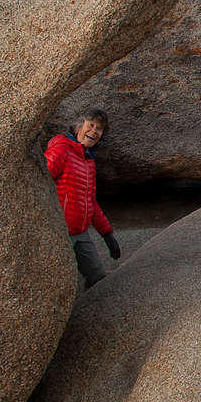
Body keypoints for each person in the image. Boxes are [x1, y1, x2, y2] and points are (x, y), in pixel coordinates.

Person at [45, 108, 120, 289]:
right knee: (59, 284)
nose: (94, 131)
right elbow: (41, 180)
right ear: (79, 126)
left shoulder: (88, 161)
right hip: (60, 231)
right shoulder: (61, 149)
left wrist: (107, 235)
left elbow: (90, 202)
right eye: (91, 125)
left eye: (99, 129)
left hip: (80, 232)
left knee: (97, 275)